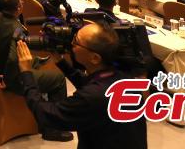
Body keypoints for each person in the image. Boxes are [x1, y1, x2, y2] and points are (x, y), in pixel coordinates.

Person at [16, 22, 148, 149]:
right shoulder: (123, 79)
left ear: (95, 58)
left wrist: (26, 72)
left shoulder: (92, 97)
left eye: (76, 42)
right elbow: (88, 83)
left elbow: (45, 114)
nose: (71, 44)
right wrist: (60, 60)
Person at [0, 0, 72, 142]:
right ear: (18, 8)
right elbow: (12, 60)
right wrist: (5, 78)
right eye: (21, 3)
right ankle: (52, 129)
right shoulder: (17, 29)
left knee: (37, 60)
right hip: (11, 76)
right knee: (59, 79)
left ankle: (39, 71)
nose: (22, 4)